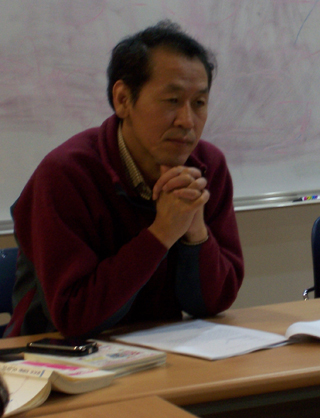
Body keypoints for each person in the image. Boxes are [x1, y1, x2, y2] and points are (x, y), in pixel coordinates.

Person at [5, 21, 244, 337]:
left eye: (199, 103)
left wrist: (196, 232)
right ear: (122, 100)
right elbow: (74, 316)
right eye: (172, 101)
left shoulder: (208, 167)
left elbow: (214, 303)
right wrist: (161, 232)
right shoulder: (65, 174)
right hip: (54, 356)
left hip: (159, 350)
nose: (188, 121)